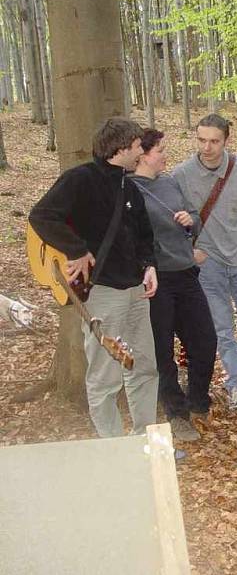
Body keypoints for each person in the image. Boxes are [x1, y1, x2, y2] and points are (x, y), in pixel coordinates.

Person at [29, 117, 159, 437]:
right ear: (119, 149)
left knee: (144, 368)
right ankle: (111, 448)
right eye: (137, 146)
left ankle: (142, 440)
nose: (142, 151)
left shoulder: (130, 185)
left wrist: (149, 266)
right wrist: (75, 249)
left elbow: (143, 234)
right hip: (103, 293)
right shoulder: (79, 180)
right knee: (105, 377)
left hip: (136, 291)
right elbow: (41, 216)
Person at [172, 114, 237, 411]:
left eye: (214, 141)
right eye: (201, 140)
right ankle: (236, 385)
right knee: (223, 330)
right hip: (208, 264)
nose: (207, 147)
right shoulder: (182, 175)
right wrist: (191, 250)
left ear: (226, 141)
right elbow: (171, 221)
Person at [130, 128, 217, 442]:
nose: (166, 155)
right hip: (156, 281)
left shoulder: (169, 182)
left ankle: (197, 400)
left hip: (186, 274)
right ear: (143, 155)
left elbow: (195, 216)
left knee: (205, 341)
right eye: (160, 150)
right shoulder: (129, 190)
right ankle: (176, 413)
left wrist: (189, 220)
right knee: (161, 351)